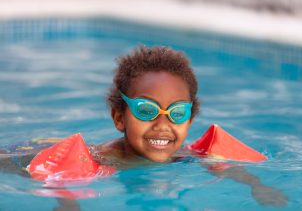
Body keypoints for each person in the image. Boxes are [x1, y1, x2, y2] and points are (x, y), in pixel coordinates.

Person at [0, 46, 287, 208]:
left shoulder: (185, 154)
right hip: (23, 156)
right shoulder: (102, 161)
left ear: (189, 119)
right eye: (147, 111)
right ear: (119, 118)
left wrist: (257, 186)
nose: (162, 125)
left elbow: (225, 165)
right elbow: (64, 188)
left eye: (177, 113)